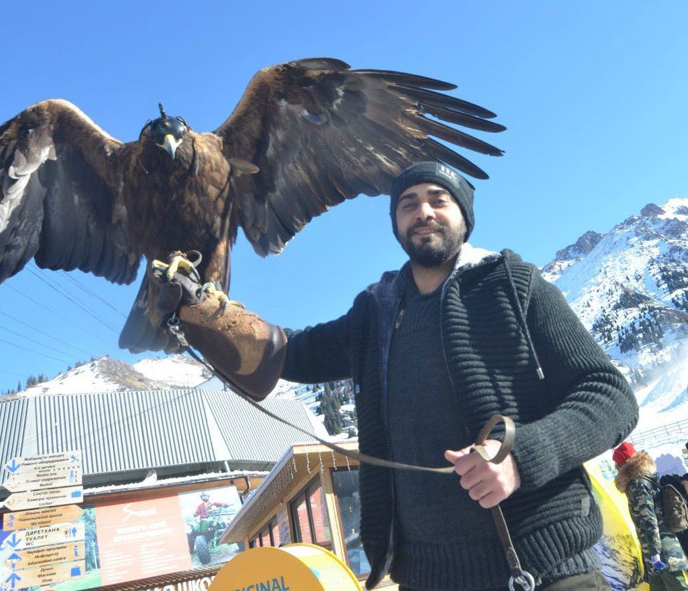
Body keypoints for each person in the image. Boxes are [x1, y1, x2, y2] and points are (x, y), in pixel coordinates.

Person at [157, 161, 639, 590]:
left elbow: (610, 395)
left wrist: (520, 460)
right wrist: (205, 312)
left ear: (464, 217)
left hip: (547, 568)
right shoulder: (376, 312)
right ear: (396, 225)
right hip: (426, 577)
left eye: (438, 200)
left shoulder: (513, 285)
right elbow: (290, 352)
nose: (423, 212)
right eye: (408, 204)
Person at [614, 442, 688, 590]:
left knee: (676, 587)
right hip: (658, 549)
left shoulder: (638, 485)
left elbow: (649, 519)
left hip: (661, 551)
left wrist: (655, 553)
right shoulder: (645, 480)